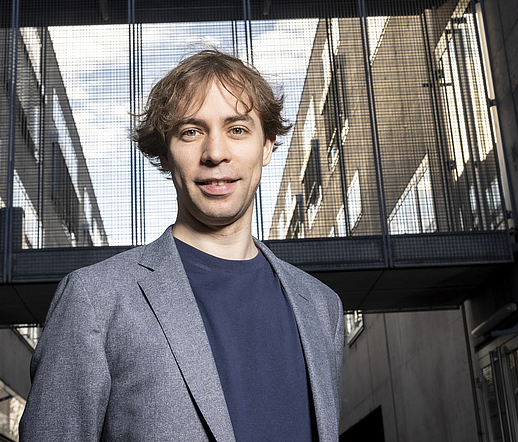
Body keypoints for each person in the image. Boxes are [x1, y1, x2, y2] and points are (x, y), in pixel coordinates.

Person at [20, 50, 344, 441]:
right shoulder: (95, 300)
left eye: (237, 129)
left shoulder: (322, 306)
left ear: (268, 146)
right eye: (191, 131)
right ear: (165, 153)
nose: (215, 153)